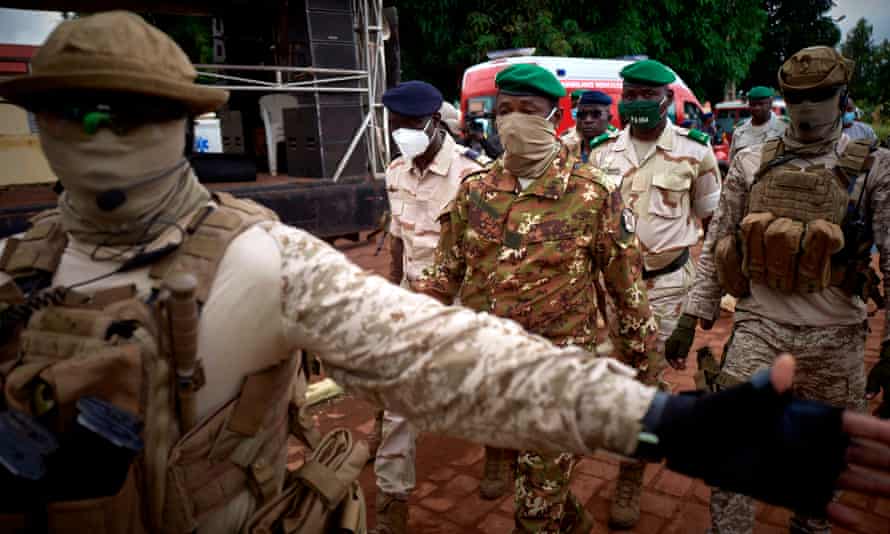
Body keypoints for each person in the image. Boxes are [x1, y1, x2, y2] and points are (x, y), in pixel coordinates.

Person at [4, 13, 890, 534]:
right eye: (69, 113)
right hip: (501, 325)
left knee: (540, 497)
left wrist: (662, 411)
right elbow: (441, 289)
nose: (102, 135)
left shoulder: (261, 257)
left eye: (137, 113)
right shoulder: (18, 267)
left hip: (579, 342)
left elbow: (440, 359)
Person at [416, 62, 664, 533]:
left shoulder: (593, 193)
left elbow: (626, 292)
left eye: (527, 110)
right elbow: (446, 272)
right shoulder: (475, 191)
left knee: (533, 511)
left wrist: (646, 371)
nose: (512, 120)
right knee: (539, 486)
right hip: (494, 367)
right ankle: (573, 520)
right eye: (504, 110)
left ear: (554, 117)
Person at [665, 45, 890, 534]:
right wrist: (691, 317)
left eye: (821, 95)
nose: (808, 107)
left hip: (836, 335)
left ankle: (810, 525)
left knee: (827, 456)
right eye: (798, 96)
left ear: (841, 96)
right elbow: (721, 236)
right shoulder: (749, 161)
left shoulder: (875, 167)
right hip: (759, 326)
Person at [588, 58, 722, 529]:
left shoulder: (696, 152)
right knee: (623, 369)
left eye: (648, 94)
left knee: (647, 372)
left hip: (666, 284)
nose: (638, 102)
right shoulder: (602, 152)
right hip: (612, 287)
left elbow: (711, 225)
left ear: (667, 99)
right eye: (631, 93)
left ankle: (630, 472)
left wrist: (702, 301)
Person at [375, 81, 486, 534]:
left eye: (411, 126)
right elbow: (399, 243)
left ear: (435, 123)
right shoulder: (395, 172)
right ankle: (392, 497)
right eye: (396, 126)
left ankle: (508, 458)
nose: (403, 134)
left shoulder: (472, 175)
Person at [729, 86, 788, 161]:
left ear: (770, 103)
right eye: (753, 104)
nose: (757, 108)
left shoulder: (784, 127)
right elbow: (732, 162)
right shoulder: (740, 131)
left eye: (761, 104)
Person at [561, 90, 615, 163]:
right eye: (582, 115)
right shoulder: (565, 145)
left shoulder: (618, 148)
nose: (588, 120)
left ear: (609, 118)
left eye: (596, 115)